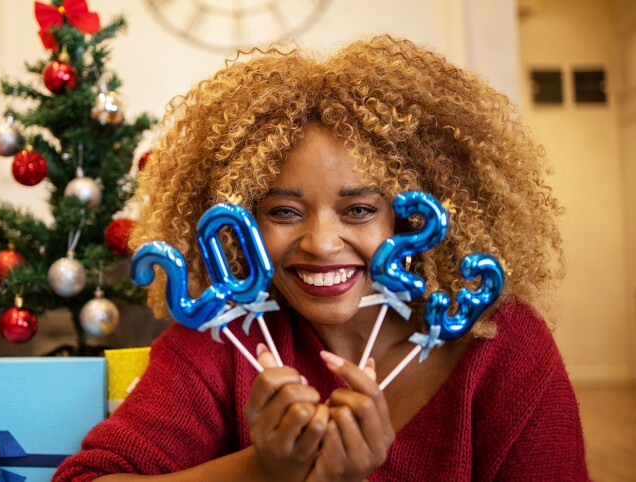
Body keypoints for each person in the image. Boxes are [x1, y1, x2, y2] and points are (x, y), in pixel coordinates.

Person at [53, 35, 588, 481]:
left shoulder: (499, 344)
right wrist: (263, 471)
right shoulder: (223, 339)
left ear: (411, 218)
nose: (320, 242)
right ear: (240, 222)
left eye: (357, 209)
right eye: (284, 212)